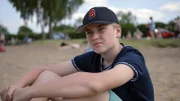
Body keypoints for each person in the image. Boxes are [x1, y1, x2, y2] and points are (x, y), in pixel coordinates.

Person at [0, 7, 154, 101]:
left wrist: (28, 93)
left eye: (101, 29)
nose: (94, 37)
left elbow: (95, 84)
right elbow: (43, 69)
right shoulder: (94, 57)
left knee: (97, 94)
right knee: (46, 76)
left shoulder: (132, 57)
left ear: (118, 31)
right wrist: (16, 87)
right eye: (89, 32)